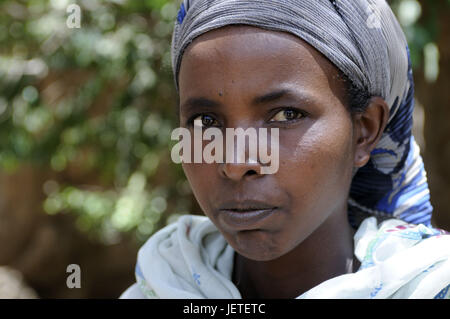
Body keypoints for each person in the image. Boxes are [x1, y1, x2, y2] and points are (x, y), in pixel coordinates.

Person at [120, 0, 450, 299]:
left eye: (286, 115)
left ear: (365, 131)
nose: (236, 162)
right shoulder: (160, 284)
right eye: (206, 120)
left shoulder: (429, 287)